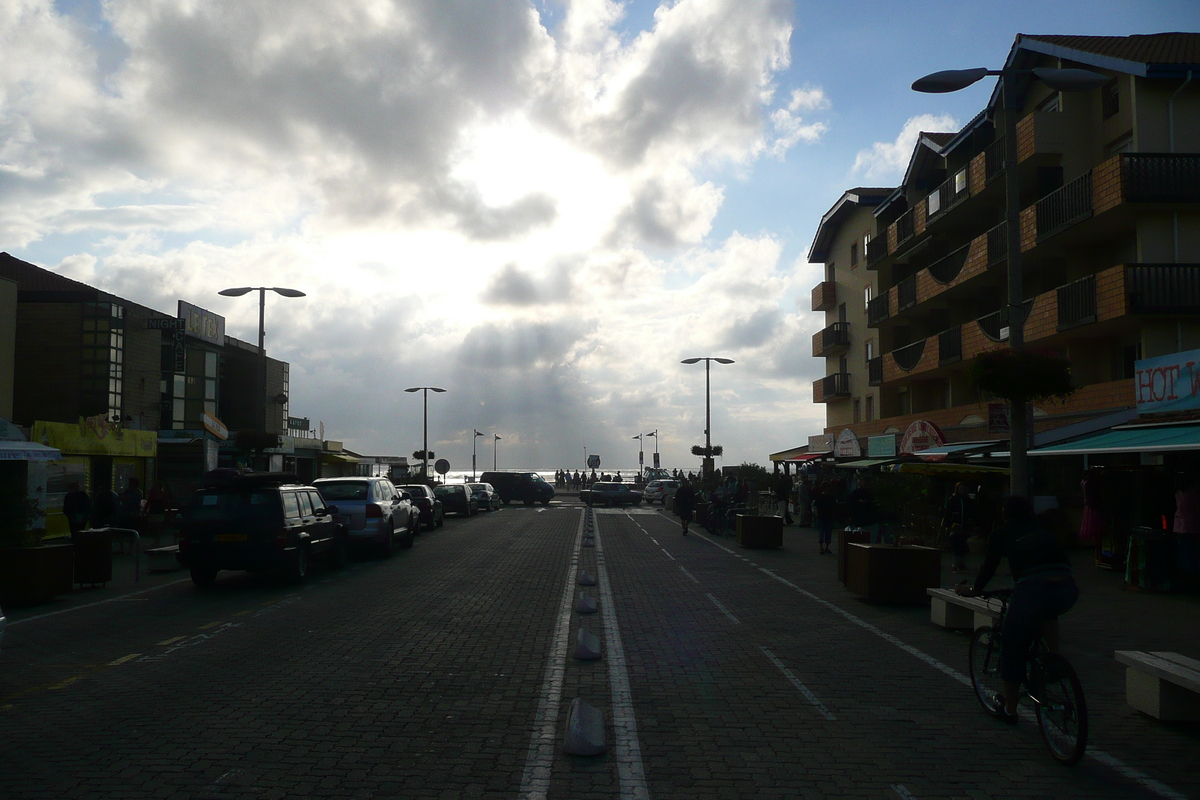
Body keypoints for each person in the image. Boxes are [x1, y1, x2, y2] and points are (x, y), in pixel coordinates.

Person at [956, 495, 1078, 723]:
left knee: (1012, 646)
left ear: (1005, 514)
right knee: (1047, 611)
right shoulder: (1041, 526)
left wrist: (974, 589)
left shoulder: (1002, 532)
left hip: (1032, 588)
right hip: (1067, 588)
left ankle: (1010, 709)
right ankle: (1054, 659)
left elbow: (988, 568)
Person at [941, 483, 975, 572]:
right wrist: (947, 525)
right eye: (960, 489)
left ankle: (962, 563)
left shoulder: (967, 500)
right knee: (956, 545)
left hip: (965, 526)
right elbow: (948, 513)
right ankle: (955, 563)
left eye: (963, 489)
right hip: (955, 525)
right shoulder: (953, 499)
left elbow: (971, 512)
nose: (962, 490)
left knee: (963, 545)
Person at [812, 484, 837, 554]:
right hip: (828, 516)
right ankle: (826, 547)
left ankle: (822, 547)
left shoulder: (819, 497)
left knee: (822, 531)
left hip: (821, 516)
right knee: (827, 532)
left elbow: (815, 506)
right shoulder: (831, 497)